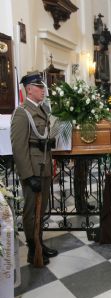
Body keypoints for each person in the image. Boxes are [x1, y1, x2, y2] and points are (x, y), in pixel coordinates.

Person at [10, 72, 58, 265]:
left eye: (43, 87)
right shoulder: (22, 113)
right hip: (33, 171)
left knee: (42, 210)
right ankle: (32, 249)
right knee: (31, 211)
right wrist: (28, 176)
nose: (43, 90)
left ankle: (39, 243)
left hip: (44, 167)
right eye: (39, 87)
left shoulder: (42, 109)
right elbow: (19, 147)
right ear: (29, 89)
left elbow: (40, 137)